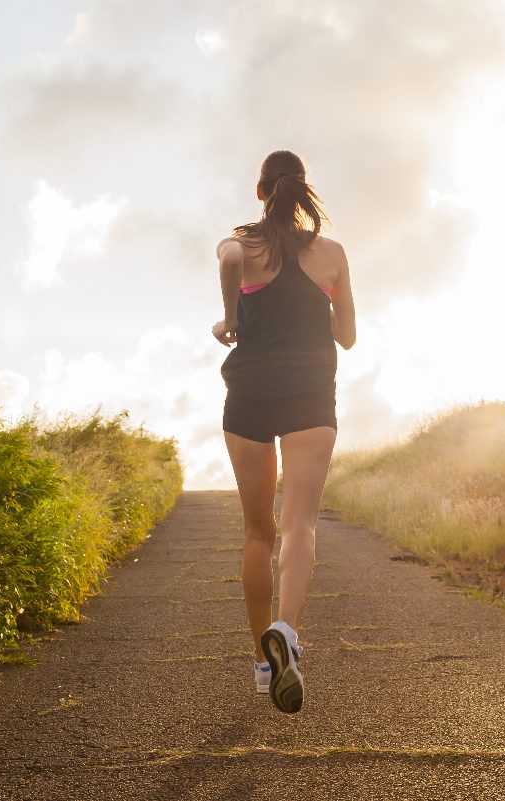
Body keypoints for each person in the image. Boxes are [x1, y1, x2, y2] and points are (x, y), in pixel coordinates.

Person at [211, 149, 357, 714]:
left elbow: (227, 262)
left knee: (257, 532)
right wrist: (325, 304)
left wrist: (230, 318)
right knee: (300, 524)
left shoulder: (241, 243)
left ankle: (261, 661)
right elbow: (346, 337)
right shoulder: (331, 254)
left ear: (260, 191)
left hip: (249, 392)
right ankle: (287, 633)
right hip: (311, 396)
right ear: (301, 191)